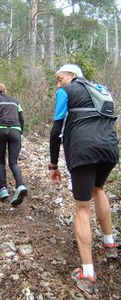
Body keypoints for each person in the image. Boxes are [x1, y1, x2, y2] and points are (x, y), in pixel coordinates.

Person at [49, 64, 119, 294]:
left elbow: (56, 129)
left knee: (81, 208)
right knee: (98, 189)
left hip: (83, 150)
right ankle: (110, 244)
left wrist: (53, 164)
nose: (58, 83)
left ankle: (87, 273)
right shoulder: (101, 88)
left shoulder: (66, 92)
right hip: (109, 147)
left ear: (73, 75)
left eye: (60, 78)